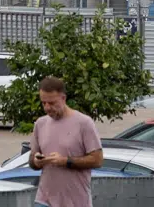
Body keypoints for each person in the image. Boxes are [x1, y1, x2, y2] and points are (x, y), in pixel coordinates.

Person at [28, 76, 103, 207]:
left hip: (76, 202)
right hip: (43, 201)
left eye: (51, 103)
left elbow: (97, 160)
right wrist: (36, 161)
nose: (47, 108)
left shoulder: (84, 123)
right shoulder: (40, 124)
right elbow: (32, 158)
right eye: (43, 103)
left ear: (63, 98)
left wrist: (64, 161)